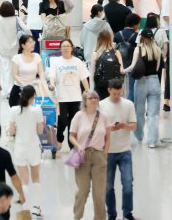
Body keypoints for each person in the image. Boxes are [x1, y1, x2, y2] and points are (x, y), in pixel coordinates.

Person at [97, 79, 137, 220]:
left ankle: (127, 213)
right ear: (109, 90)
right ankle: (112, 214)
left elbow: (134, 125)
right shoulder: (101, 105)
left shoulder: (128, 104)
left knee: (127, 183)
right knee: (108, 186)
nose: (117, 96)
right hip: (107, 151)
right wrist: (109, 129)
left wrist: (125, 126)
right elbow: (97, 128)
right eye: (114, 93)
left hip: (125, 150)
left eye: (119, 94)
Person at [69, 90, 110, 220]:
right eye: (90, 98)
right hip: (82, 156)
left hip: (99, 156)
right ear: (85, 101)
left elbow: (108, 137)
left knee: (99, 193)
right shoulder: (78, 116)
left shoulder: (104, 116)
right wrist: (78, 146)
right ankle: (77, 216)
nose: (94, 100)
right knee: (83, 190)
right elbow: (71, 136)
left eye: (96, 97)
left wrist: (105, 153)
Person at [122, 28, 163, 147]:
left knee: (139, 111)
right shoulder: (158, 50)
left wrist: (123, 70)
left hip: (141, 82)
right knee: (154, 114)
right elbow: (157, 68)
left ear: (142, 38)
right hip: (155, 81)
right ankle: (152, 142)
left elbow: (132, 66)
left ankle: (139, 135)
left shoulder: (138, 49)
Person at [48, 39, 90, 149]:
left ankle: (72, 146)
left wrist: (88, 91)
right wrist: (52, 84)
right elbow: (52, 76)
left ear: (72, 48)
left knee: (73, 123)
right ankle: (59, 137)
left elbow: (84, 78)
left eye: (68, 46)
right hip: (62, 98)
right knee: (62, 120)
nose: (65, 48)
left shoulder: (78, 62)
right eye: (63, 46)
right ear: (60, 48)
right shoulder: (56, 62)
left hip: (76, 97)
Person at [8, 86, 43, 215]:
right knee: (36, 177)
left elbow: (11, 131)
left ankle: (25, 207)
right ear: (33, 96)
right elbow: (40, 131)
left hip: (19, 147)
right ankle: (37, 208)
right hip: (33, 146)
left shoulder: (13, 110)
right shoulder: (37, 110)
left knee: (24, 180)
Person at [0, 1, 28, 92]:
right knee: (15, 68)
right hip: (14, 47)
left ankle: (6, 90)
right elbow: (26, 29)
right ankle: (14, 88)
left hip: (1, 48)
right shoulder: (16, 19)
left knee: (5, 69)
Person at [10, 35, 45, 106]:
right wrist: (24, 84)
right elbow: (15, 75)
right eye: (30, 42)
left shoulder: (37, 56)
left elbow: (41, 72)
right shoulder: (16, 58)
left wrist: (43, 83)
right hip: (19, 90)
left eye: (33, 42)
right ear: (23, 45)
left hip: (32, 90)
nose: (33, 44)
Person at [90, 31, 124, 100]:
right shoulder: (116, 52)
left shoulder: (96, 54)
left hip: (100, 86)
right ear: (110, 39)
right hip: (114, 86)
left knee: (101, 108)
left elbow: (92, 74)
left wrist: (91, 90)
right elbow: (121, 70)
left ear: (98, 40)